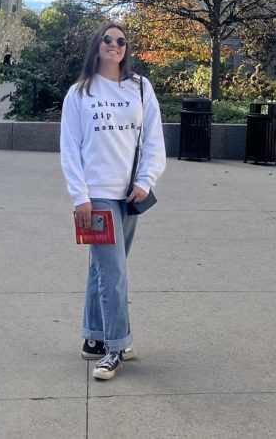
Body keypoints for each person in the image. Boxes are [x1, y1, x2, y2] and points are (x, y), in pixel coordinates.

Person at [60, 23, 165, 382]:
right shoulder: (79, 93)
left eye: (121, 41)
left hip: (131, 194)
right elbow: (69, 149)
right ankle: (116, 347)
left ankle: (93, 337)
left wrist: (145, 180)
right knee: (113, 271)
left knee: (103, 269)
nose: (114, 45)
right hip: (97, 196)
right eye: (107, 39)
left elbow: (153, 139)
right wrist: (80, 197)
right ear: (96, 46)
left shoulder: (140, 87)